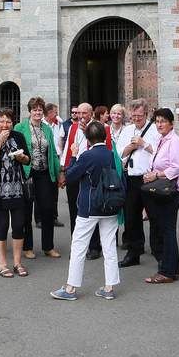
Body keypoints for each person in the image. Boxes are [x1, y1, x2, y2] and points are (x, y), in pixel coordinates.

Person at [51, 121, 120, 301]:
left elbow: (71, 176)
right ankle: (109, 286)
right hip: (110, 205)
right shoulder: (113, 155)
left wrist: (73, 156)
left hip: (90, 206)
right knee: (109, 246)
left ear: (88, 139)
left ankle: (71, 288)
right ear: (104, 137)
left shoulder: (87, 155)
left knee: (79, 246)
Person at [61, 102, 114, 261]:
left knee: (94, 210)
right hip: (75, 171)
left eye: (84, 113)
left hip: (92, 175)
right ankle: (77, 245)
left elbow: (104, 150)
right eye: (79, 113)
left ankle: (94, 246)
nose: (81, 116)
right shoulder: (72, 127)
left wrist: (86, 134)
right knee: (74, 210)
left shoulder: (99, 128)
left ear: (91, 114)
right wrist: (63, 170)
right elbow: (67, 149)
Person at [141, 107, 179, 284]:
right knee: (162, 230)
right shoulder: (161, 140)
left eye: (163, 121)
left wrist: (156, 175)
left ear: (171, 123)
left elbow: (177, 167)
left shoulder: (174, 141)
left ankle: (168, 271)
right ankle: (168, 268)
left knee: (167, 231)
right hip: (160, 191)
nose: (159, 124)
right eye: (157, 121)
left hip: (170, 192)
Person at [0, 109, 32, 277]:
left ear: (13, 123)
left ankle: (18, 263)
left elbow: (28, 158)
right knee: (2, 225)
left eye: (8, 122)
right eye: (1, 121)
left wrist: (22, 158)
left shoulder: (18, 137)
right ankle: (2, 264)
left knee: (19, 225)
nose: (5, 125)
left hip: (18, 188)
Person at [117, 99, 161, 267]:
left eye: (139, 116)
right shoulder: (127, 130)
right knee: (131, 217)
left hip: (149, 177)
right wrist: (131, 146)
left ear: (147, 114)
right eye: (133, 116)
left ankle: (159, 251)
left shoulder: (155, 131)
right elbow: (119, 152)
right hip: (131, 177)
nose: (136, 119)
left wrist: (144, 144)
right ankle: (134, 252)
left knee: (154, 216)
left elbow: (159, 154)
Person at [16, 97, 62, 259]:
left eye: (40, 110)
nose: (37, 112)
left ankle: (48, 246)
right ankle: (28, 247)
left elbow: (53, 154)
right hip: (28, 173)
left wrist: (59, 173)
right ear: (29, 111)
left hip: (44, 173)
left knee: (48, 210)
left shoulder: (47, 129)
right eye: (34, 109)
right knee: (27, 211)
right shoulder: (20, 127)